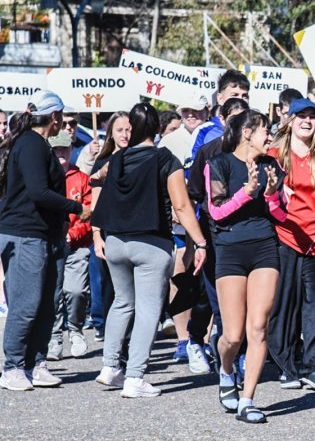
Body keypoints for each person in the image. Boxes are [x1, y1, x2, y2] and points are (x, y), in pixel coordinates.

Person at [91, 103, 208, 398]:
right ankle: (135, 377)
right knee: (147, 310)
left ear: (132, 129)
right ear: (157, 128)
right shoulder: (165, 158)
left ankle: (109, 367)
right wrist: (200, 241)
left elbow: (97, 179)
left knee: (121, 303)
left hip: (116, 241)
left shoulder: (118, 158)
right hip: (151, 243)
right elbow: (181, 206)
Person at [0, 91, 91, 391]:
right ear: (53, 118)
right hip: (25, 235)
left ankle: (35, 363)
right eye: (62, 120)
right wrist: (76, 208)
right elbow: (39, 192)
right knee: (26, 305)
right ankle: (12, 366)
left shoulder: (40, 145)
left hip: (46, 236)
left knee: (46, 305)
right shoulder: (29, 145)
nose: (64, 127)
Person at [206, 109, 284, 422]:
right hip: (230, 251)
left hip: (265, 247)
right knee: (233, 336)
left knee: (258, 327)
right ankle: (226, 371)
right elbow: (217, 211)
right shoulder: (219, 164)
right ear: (247, 132)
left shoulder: (271, 166)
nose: (270, 135)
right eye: (266, 129)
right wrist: (246, 193)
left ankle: (248, 400)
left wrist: (271, 195)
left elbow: (281, 216)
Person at [268, 98, 315, 391]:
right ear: (289, 120)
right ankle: (286, 366)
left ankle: (314, 368)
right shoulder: (273, 155)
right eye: (301, 115)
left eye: (312, 116)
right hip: (284, 238)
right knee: (284, 306)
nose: (307, 120)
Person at [186, 97, 251, 372]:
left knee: (246, 299)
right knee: (215, 300)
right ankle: (202, 344)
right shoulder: (209, 151)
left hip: (248, 236)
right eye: (234, 120)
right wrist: (196, 240)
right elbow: (193, 195)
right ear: (222, 121)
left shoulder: (256, 153)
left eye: (245, 121)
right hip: (215, 236)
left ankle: (242, 352)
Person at [160, 93, 212, 373]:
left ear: (207, 109)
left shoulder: (217, 134)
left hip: (208, 218)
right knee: (181, 274)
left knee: (206, 283)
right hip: (181, 220)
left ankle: (202, 339)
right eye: (186, 110)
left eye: (197, 110)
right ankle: (183, 339)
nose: (191, 114)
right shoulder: (170, 141)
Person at [47, 132, 93, 361]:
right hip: (51, 245)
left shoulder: (82, 178)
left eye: (64, 148)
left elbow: (88, 212)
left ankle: (75, 329)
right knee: (53, 294)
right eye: (56, 149)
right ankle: (54, 337)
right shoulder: (44, 177)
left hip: (76, 246)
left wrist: (72, 235)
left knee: (75, 290)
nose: (61, 153)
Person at [87, 111, 131, 345]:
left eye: (129, 129)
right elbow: (95, 205)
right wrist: (96, 236)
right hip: (108, 232)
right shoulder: (103, 162)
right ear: (111, 134)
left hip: (134, 233)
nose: (125, 134)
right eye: (120, 130)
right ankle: (109, 334)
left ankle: (128, 339)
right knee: (107, 289)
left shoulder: (140, 158)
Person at [191, 70, 251, 160]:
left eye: (244, 96)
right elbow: (194, 169)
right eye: (234, 95)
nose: (240, 100)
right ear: (220, 98)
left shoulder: (256, 129)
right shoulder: (204, 132)